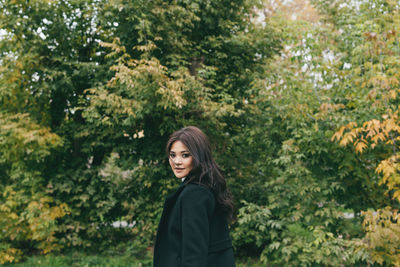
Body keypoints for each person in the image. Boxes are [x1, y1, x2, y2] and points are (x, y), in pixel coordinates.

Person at [153, 126, 236, 267]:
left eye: (185, 155)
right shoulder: (207, 186)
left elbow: (194, 254)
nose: (177, 161)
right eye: (172, 155)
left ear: (199, 156)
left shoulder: (195, 194)